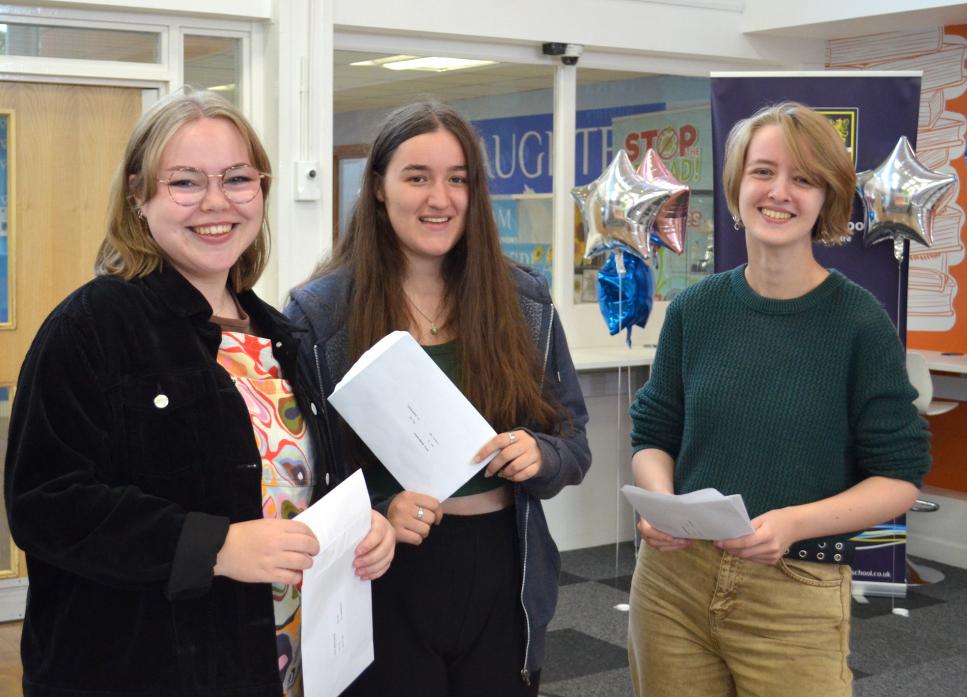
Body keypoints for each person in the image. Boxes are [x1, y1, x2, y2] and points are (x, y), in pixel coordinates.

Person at [3, 89, 395, 697]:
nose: (216, 202)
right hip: (146, 669)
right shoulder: (91, 326)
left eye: (237, 178)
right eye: (185, 182)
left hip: (284, 661)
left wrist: (361, 526)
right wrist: (215, 547)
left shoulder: (282, 335)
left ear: (261, 190)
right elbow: (45, 505)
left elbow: (298, 481)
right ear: (139, 196)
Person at [285, 100, 591, 697]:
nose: (440, 199)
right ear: (378, 187)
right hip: (381, 571)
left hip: (504, 566)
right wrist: (379, 505)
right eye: (417, 177)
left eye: (458, 180)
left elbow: (572, 439)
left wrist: (541, 454)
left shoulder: (521, 298)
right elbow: (302, 470)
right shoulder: (320, 313)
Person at [626, 101, 930, 697]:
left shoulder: (858, 321)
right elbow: (653, 437)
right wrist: (661, 504)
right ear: (738, 184)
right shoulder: (696, 308)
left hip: (794, 588)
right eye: (763, 171)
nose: (779, 192)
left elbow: (900, 476)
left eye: (805, 178)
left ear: (827, 199)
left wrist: (791, 523)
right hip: (672, 584)